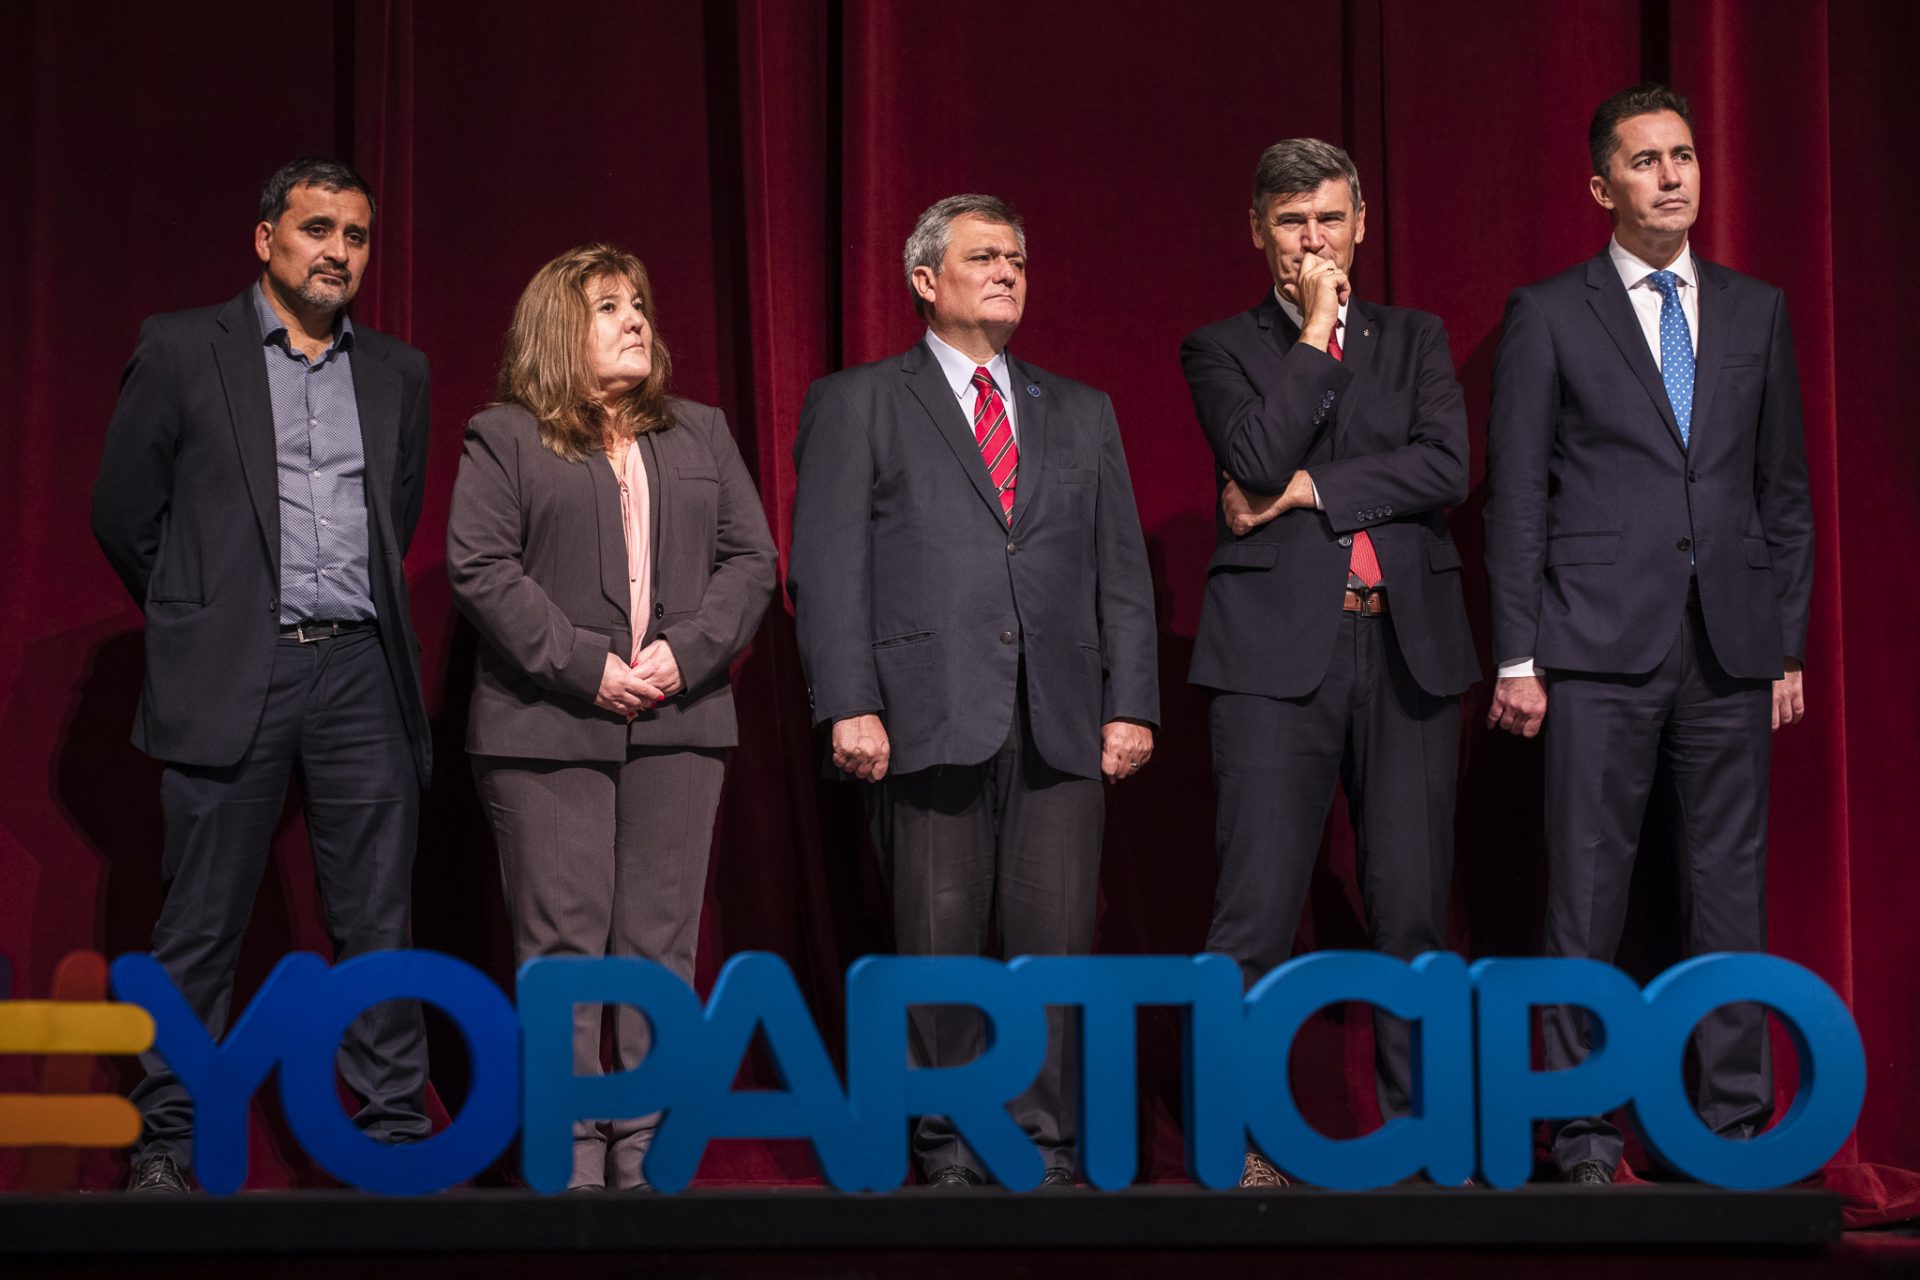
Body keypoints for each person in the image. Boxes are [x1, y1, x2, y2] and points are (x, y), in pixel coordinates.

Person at [786, 194, 1158, 1188]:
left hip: (1061, 718)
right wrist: (849, 701)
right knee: (936, 946)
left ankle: (1042, 1144)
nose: (1005, 273)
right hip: (922, 715)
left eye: (1017, 261)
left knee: (1055, 951)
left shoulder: (1080, 409)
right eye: (984, 257)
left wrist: (1131, 701)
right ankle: (948, 1143)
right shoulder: (858, 401)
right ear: (924, 280)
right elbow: (826, 565)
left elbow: (1120, 569)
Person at [1483, 83, 1813, 1185]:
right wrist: (1518, 653)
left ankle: (1729, 1128)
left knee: (1728, 890)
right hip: (1592, 646)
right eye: (1645, 160)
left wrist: (1784, 642)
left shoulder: (1757, 308)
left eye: (1684, 156)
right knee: (1586, 893)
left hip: (1730, 646)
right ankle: (1581, 1130)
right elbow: (1516, 495)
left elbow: (1783, 491)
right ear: (1601, 186)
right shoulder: (1548, 312)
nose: (1672, 176)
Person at [91, 158, 434, 1193]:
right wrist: (200, 612)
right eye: (317, 228)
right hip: (234, 665)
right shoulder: (182, 347)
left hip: (361, 670)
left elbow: (397, 512)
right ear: (265, 239)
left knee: (377, 919)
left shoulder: (398, 372)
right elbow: (122, 511)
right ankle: (166, 1142)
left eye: (356, 235)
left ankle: (390, 1138)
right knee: (200, 923)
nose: (338, 251)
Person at [1181, 140, 1481, 1187]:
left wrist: (1309, 492)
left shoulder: (1415, 336)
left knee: (1413, 908)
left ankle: (1422, 1140)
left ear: (1360, 225)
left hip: (1407, 647)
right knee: (1256, 910)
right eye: (1291, 222)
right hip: (1272, 658)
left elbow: (1447, 465)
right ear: (1257, 231)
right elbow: (1254, 455)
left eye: (1329, 220)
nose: (1314, 241)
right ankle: (1240, 1143)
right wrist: (1313, 331)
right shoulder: (1221, 346)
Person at [447, 243, 776, 1191]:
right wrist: (585, 667)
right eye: (608, 307)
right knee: (565, 945)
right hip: (545, 726)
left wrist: (688, 652)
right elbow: (481, 567)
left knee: (659, 946)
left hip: (681, 720)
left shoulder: (700, 431)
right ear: (559, 328)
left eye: (639, 304)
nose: (636, 319)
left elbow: (752, 561)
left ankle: (647, 1149)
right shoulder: (505, 436)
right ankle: (572, 1153)